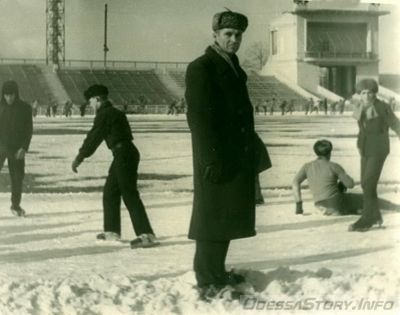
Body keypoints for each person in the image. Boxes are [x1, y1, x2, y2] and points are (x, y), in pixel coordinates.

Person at [185, 9, 269, 300]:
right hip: (216, 158)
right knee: (211, 217)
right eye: (228, 34)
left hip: (235, 156)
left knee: (226, 217)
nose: (234, 40)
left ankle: (217, 271)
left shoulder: (234, 67)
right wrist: (210, 158)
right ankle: (207, 280)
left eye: (238, 35)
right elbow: (198, 118)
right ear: (215, 35)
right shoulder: (202, 68)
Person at [71, 84, 158, 248]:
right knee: (110, 192)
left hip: (123, 154)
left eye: (90, 101)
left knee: (129, 193)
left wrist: (80, 157)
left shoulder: (104, 114)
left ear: (97, 99)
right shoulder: (114, 112)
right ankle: (112, 231)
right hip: (124, 153)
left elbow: (93, 138)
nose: (90, 105)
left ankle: (147, 235)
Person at [348, 79, 400, 231]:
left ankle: (367, 218)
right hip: (364, 148)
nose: (367, 96)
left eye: (370, 92)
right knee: (366, 184)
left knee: (368, 183)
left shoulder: (382, 107)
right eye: (363, 93)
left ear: (375, 93)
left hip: (378, 148)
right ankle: (375, 214)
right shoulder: (360, 107)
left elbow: (396, 124)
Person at [292, 140, 358, 216]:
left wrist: (299, 205)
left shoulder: (307, 166)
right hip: (335, 204)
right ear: (330, 152)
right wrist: (342, 181)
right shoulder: (334, 166)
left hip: (319, 205)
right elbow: (350, 184)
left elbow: (295, 182)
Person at [0, 80, 33, 216]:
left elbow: (28, 130)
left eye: (12, 95)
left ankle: (15, 205)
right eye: (6, 95)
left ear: (16, 94)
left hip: (16, 149)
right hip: (0, 147)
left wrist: (24, 148)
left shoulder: (25, 108)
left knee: (17, 178)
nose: (9, 98)